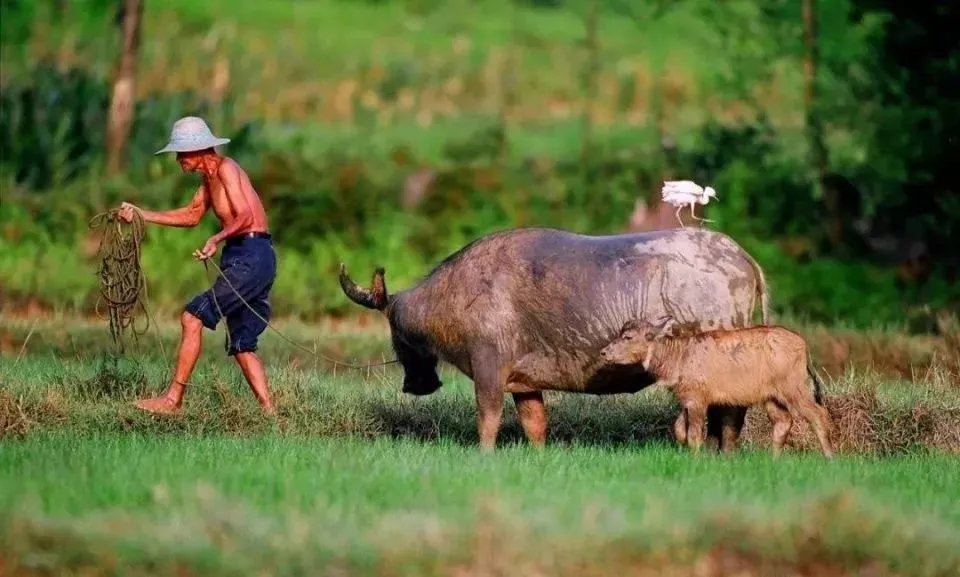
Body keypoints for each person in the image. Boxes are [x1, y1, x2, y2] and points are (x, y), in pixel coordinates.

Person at [117, 116, 277, 416]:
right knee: (242, 343)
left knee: (192, 317)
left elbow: (244, 216)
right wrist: (142, 214)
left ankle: (173, 400)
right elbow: (191, 216)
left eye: (182, 153)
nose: (178, 160)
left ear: (200, 150)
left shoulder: (227, 169)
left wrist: (216, 238)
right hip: (243, 254)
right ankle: (271, 414)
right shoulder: (208, 179)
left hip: (252, 254)